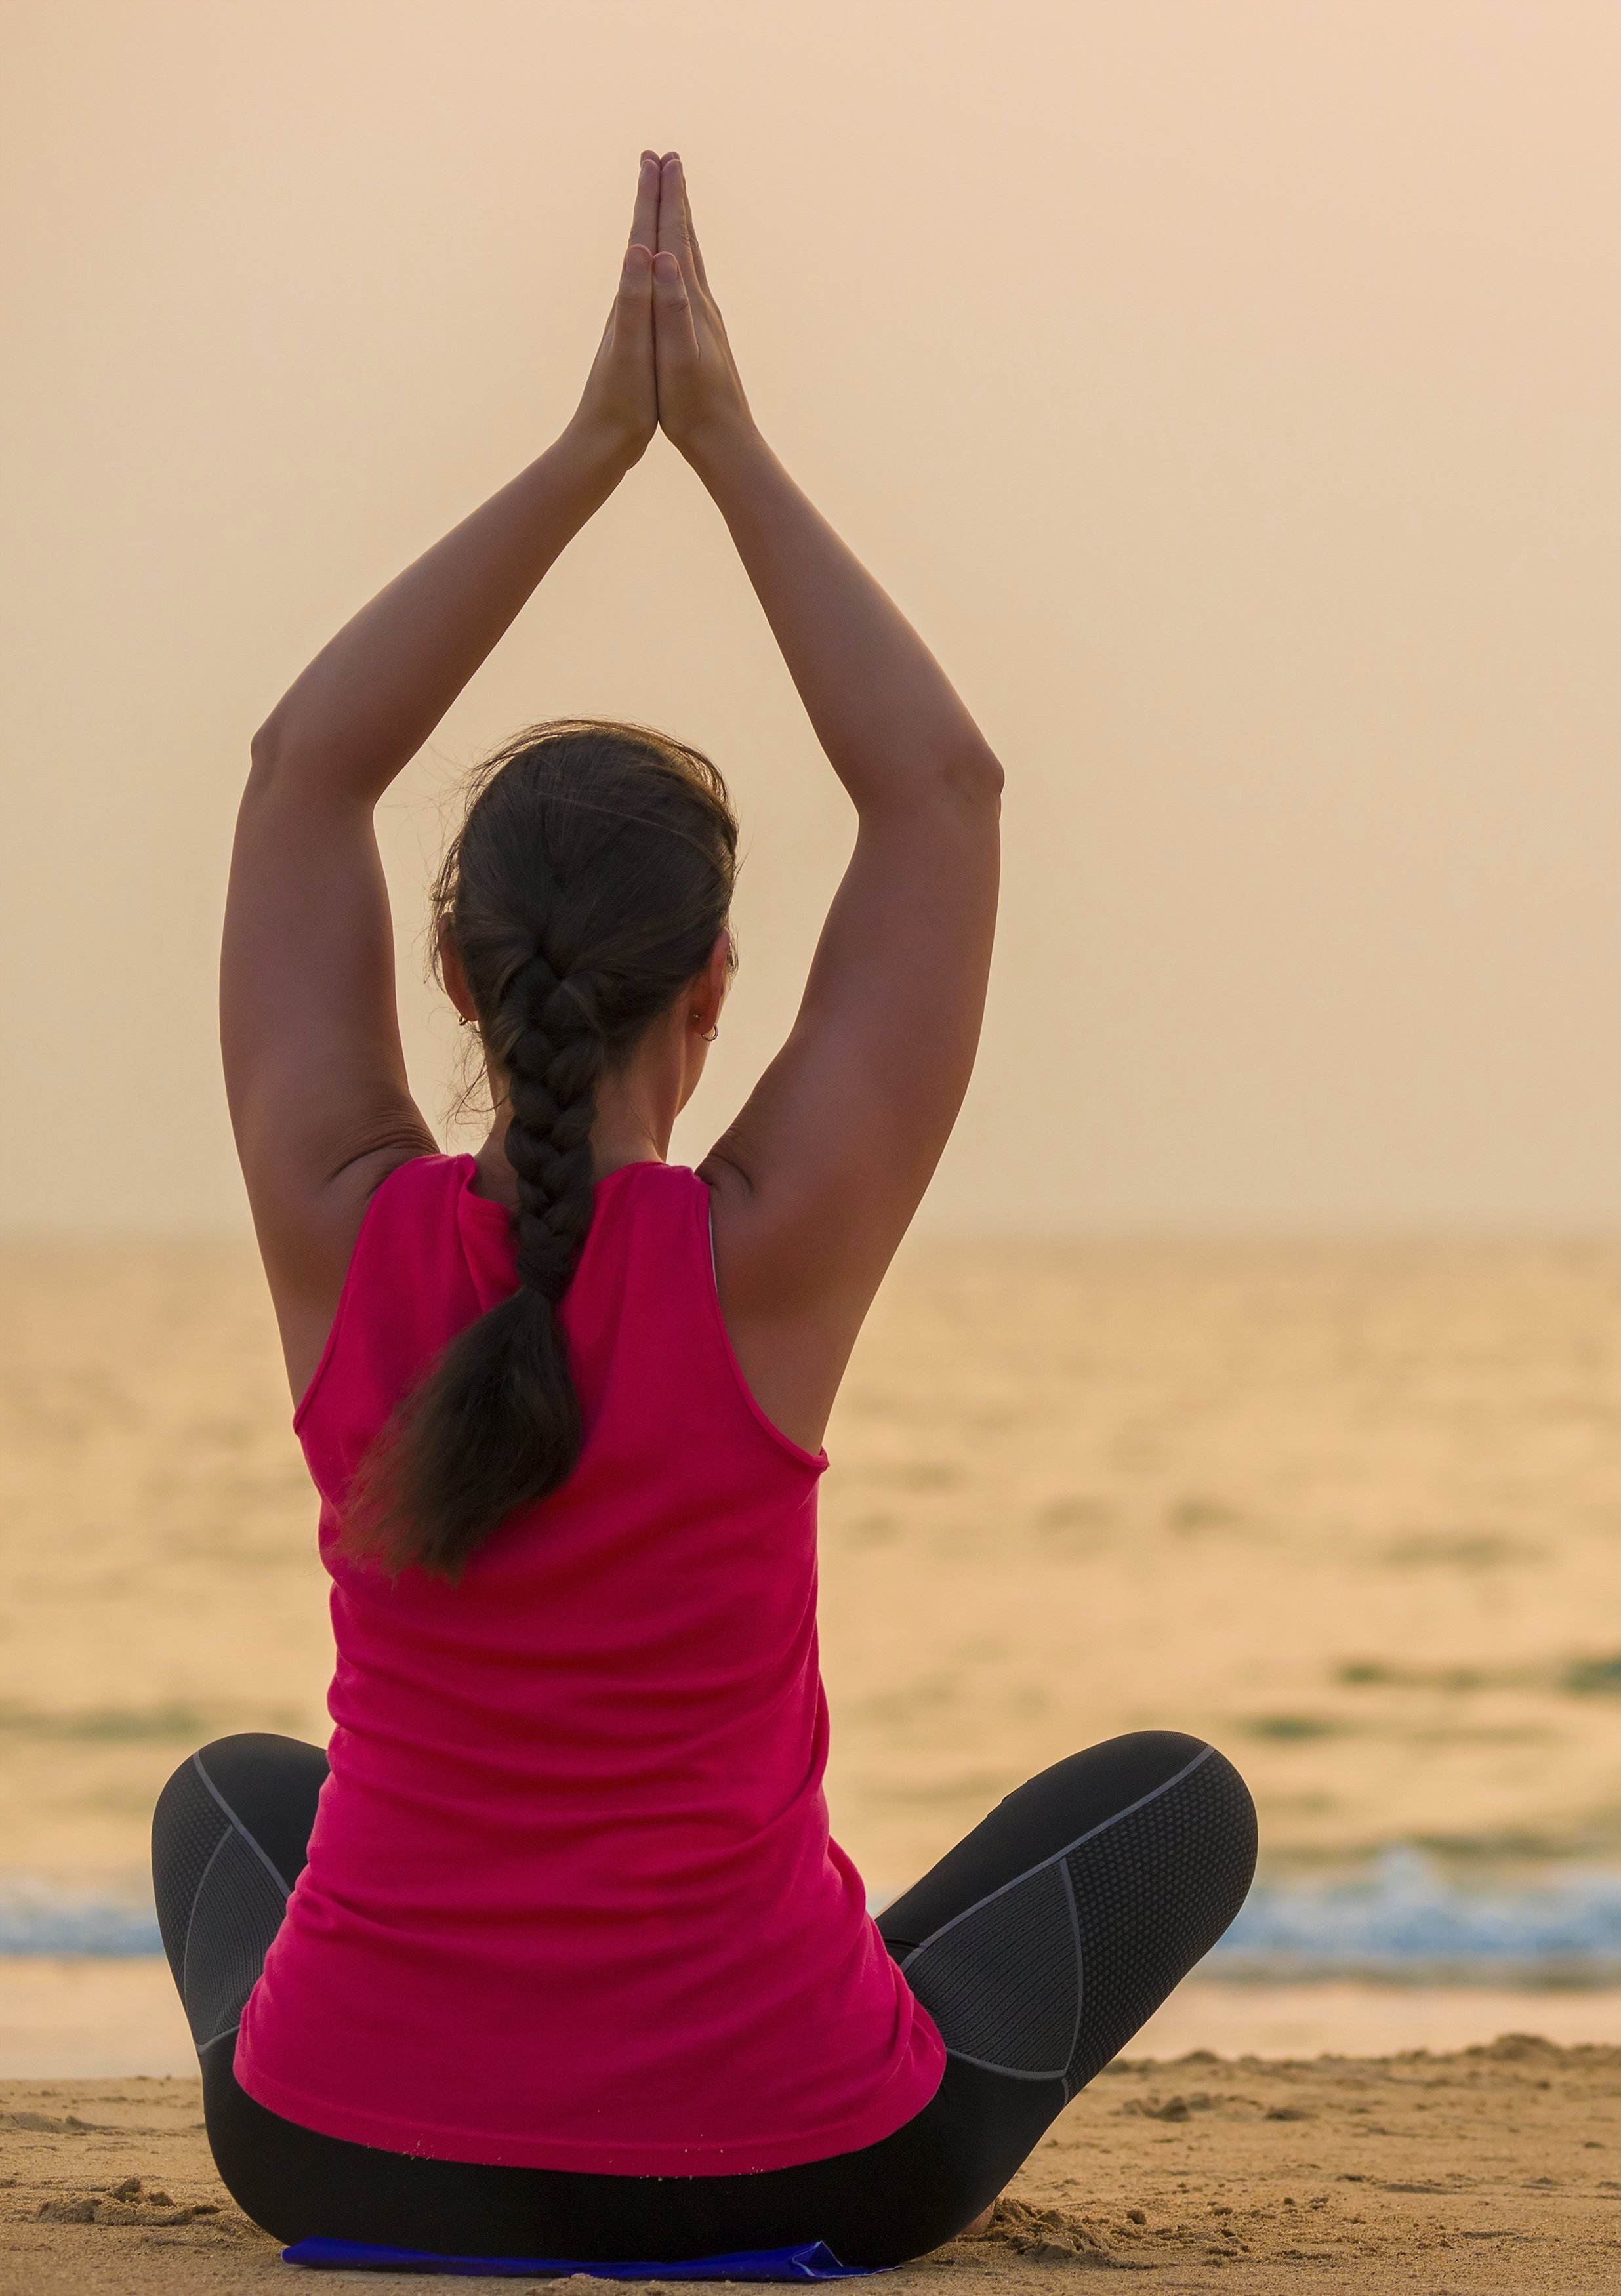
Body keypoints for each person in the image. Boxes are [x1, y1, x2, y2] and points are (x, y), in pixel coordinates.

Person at [160, 152, 1255, 2270]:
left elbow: (305, 771)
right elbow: (941, 789)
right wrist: (722, 445)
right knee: (1175, 1801)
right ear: (724, 992)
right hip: (784, 2167)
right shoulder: (774, 1260)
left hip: (342, 2159)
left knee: (229, 1796)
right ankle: (742, 2063)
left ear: (454, 983)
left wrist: (582, 455)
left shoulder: (342, 1230)